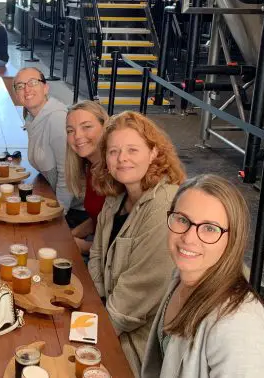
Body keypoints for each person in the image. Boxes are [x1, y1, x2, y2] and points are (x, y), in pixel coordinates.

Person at [141, 175, 264, 377]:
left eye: (209, 228)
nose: (189, 237)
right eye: (182, 219)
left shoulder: (240, 325)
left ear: (233, 238)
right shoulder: (182, 277)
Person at [88, 111, 187, 376]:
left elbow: (137, 292)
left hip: (138, 346)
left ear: (154, 152)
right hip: (107, 315)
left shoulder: (165, 206)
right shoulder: (115, 196)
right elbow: (97, 255)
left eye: (133, 149)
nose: (122, 159)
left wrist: (88, 334)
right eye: (113, 151)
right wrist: (90, 307)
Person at [15, 67, 77, 211]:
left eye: (33, 82)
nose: (27, 89)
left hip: (75, 210)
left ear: (46, 88)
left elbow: (67, 175)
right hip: (51, 194)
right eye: (20, 86)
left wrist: (58, 215)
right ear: (17, 95)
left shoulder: (56, 119)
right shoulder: (32, 118)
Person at [64, 101, 109, 255]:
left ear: (105, 127)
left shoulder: (117, 171)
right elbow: (98, 219)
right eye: (70, 130)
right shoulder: (91, 166)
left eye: (87, 127)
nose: (77, 136)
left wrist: (82, 246)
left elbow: (119, 242)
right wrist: (71, 236)